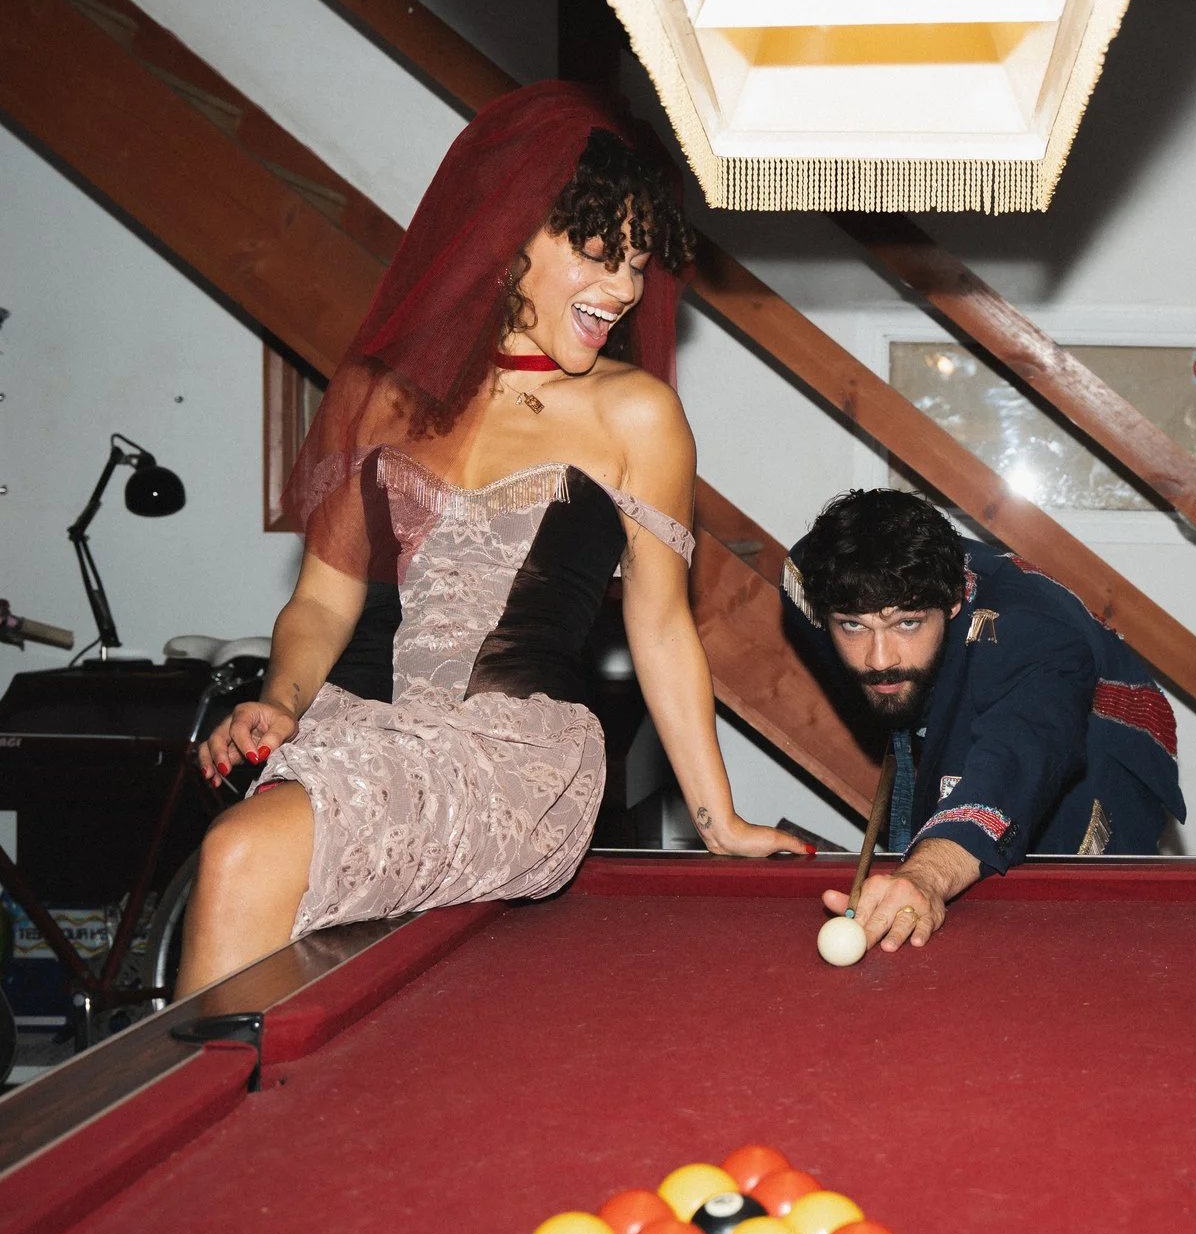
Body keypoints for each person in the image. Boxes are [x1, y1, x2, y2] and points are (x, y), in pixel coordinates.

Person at [182, 83, 801, 995]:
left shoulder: (636, 414)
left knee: (239, 853)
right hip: (369, 732)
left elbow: (662, 626)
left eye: (637, 264)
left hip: (520, 761)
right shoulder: (383, 398)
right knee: (255, 894)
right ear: (510, 237)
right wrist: (279, 699)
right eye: (597, 255)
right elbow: (319, 600)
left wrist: (721, 819)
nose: (624, 289)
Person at [786, 490, 1185, 953]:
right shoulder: (808, 574)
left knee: (1057, 946)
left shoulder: (1034, 633)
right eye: (854, 626)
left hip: (1098, 754)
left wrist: (926, 874)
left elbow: (1022, 753)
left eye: (908, 624)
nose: (879, 658)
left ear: (953, 601)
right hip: (972, 689)